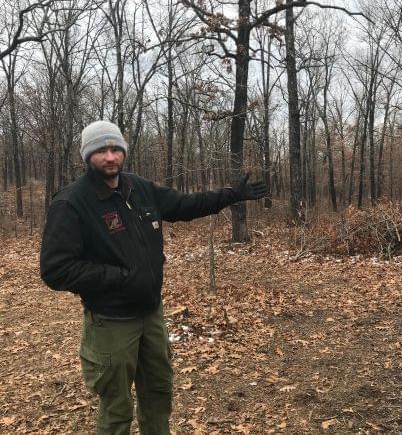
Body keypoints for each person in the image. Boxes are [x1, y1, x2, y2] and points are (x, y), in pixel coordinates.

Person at [40, 120, 266, 434]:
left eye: (115, 148)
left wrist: (229, 195)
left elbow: (185, 205)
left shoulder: (139, 188)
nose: (110, 156)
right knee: (117, 409)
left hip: (151, 315)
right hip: (111, 322)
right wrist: (120, 277)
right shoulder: (71, 202)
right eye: (101, 150)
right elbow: (56, 269)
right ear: (87, 156)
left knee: (159, 395)